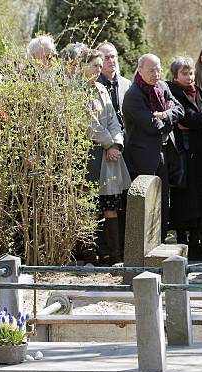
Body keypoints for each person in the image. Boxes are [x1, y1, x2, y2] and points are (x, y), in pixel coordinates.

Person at [122, 54, 185, 240]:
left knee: (163, 199)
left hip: (164, 153)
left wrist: (164, 114)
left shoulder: (163, 87)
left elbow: (179, 110)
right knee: (146, 202)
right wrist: (166, 119)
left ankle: (161, 237)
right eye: (151, 70)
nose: (156, 74)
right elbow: (152, 126)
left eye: (158, 69)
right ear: (140, 70)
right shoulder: (134, 95)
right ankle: (143, 242)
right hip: (143, 156)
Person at [80, 49, 131, 265]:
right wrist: (108, 143)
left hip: (110, 155)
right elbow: (89, 124)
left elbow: (113, 120)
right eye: (95, 65)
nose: (99, 70)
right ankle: (91, 255)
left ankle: (115, 255)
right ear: (83, 66)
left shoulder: (101, 88)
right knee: (90, 206)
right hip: (91, 154)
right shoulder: (78, 90)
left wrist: (117, 144)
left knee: (111, 205)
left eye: (100, 66)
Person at [166, 56, 202, 260]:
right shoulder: (172, 91)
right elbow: (186, 117)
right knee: (185, 200)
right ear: (176, 75)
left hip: (200, 151)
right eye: (184, 74)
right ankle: (185, 243)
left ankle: (199, 241)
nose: (189, 77)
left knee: (200, 200)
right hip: (183, 152)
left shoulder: (200, 91)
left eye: (191, 73)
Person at [96, 42, 132, 130]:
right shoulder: (93, 85)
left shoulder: (127, 84)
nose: (111, 61)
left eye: (113, 56)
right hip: (105, 138)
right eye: (107, 58)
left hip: (127, 137)